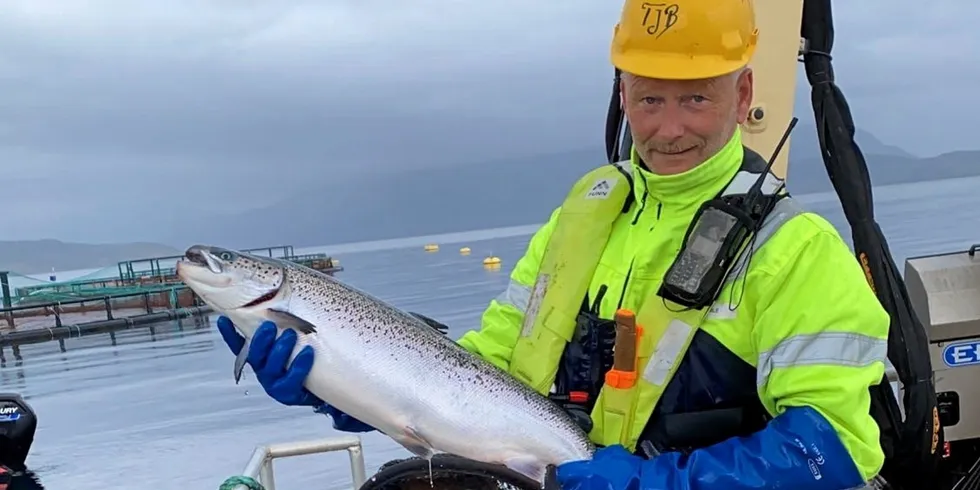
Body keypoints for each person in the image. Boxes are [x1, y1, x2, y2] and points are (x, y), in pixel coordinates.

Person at [216, 0, 892, 487]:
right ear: (621, 93)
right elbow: (483, 369)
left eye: (696, 99)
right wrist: (332, 384)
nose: (670, 128)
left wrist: (656, 485)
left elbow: (833, 448)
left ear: (743, 93)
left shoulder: (797, 250)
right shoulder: (583, 218)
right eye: (651, 100)